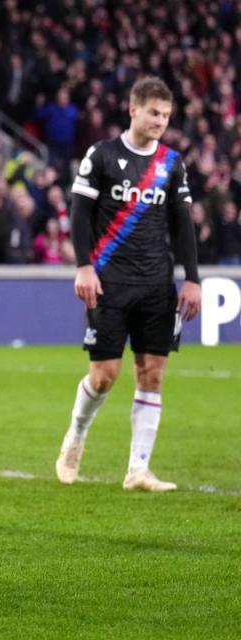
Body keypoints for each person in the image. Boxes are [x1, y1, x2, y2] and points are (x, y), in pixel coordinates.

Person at [56, 76, 201, 492]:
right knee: (104, 375)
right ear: (134, 109)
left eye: (166, 116)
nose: (160, 121)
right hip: (109, 282)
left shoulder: (172, 164)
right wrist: (84, 266)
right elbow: (79, 214)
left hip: (157, 284)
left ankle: (138, 469)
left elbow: (183, 225)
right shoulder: (101, 156)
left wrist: (191, 279)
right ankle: (76, 436)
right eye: (154, 113)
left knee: (152, 374)